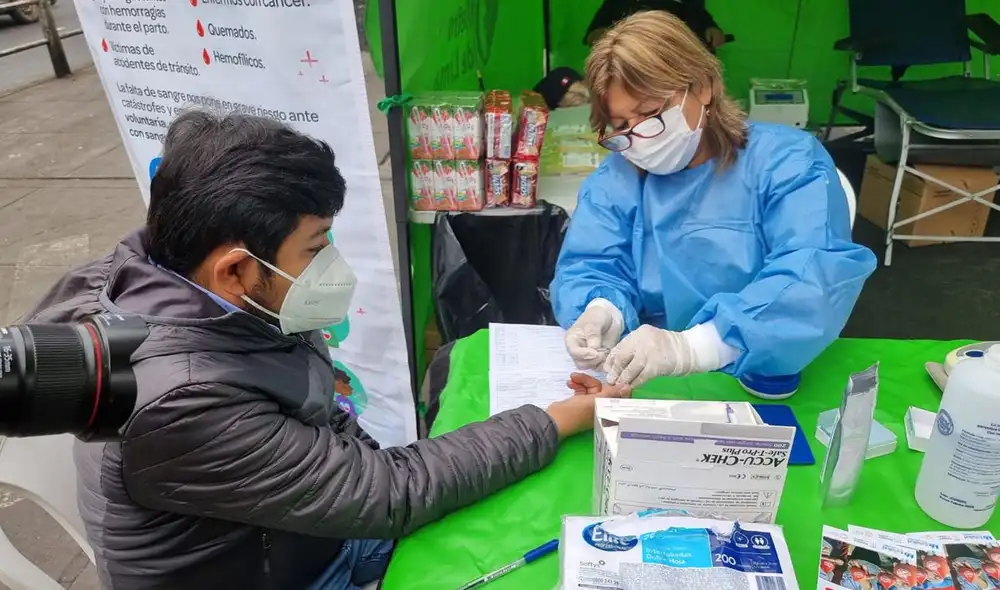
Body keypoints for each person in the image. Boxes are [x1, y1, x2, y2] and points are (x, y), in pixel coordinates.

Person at [21, 110, 627, 590]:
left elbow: (330, 430)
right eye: (315, 248)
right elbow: (390, 493)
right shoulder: (185, 404)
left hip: (289, 538)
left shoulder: (182, 280)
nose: (331, 265)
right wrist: (551, 420)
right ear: (234, 269)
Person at [551, 11, 876, 399]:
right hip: (643, 373)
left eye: (651, 113)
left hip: (759, 366)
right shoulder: (616, 179)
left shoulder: (788, 163)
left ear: (702, 87)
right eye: (621, 126)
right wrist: (601, 308)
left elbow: (813, 276)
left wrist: (699, 346)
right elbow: (592, 262)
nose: (638, 136)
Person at [585, 0, 727, 51]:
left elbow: (709, 28)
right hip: (631, 62)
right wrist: (605, 35)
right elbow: (593, 35)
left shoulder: (683, 2)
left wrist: (713, 31)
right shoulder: (617, 2)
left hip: (677, 62)